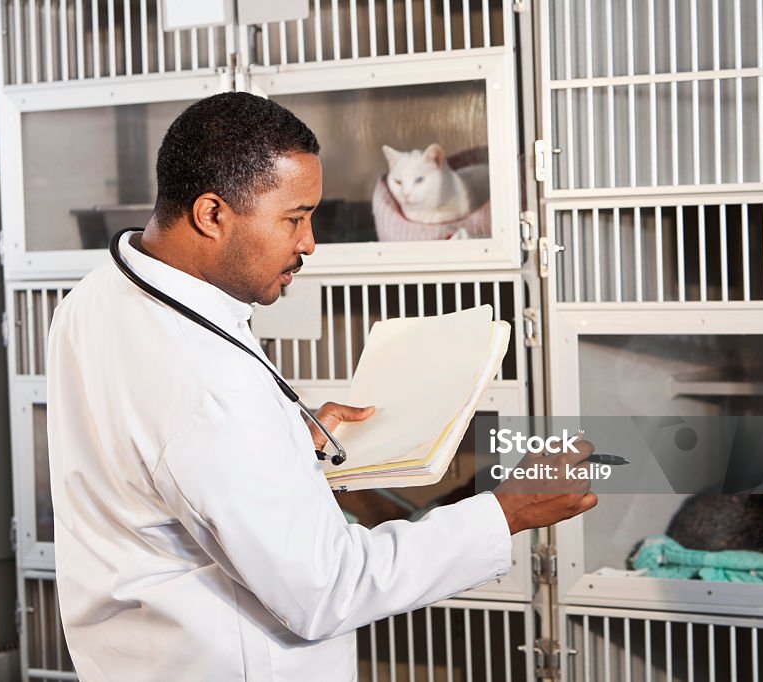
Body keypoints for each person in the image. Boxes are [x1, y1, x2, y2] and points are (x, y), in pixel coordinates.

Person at [46, 92, 597, 681]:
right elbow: (325, 588)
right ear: (211, 214)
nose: (309, 242)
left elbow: (159, 466)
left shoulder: (94, 298)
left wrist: (282, 440)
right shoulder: (209, 385)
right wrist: (502, 514)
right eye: (294, 218)